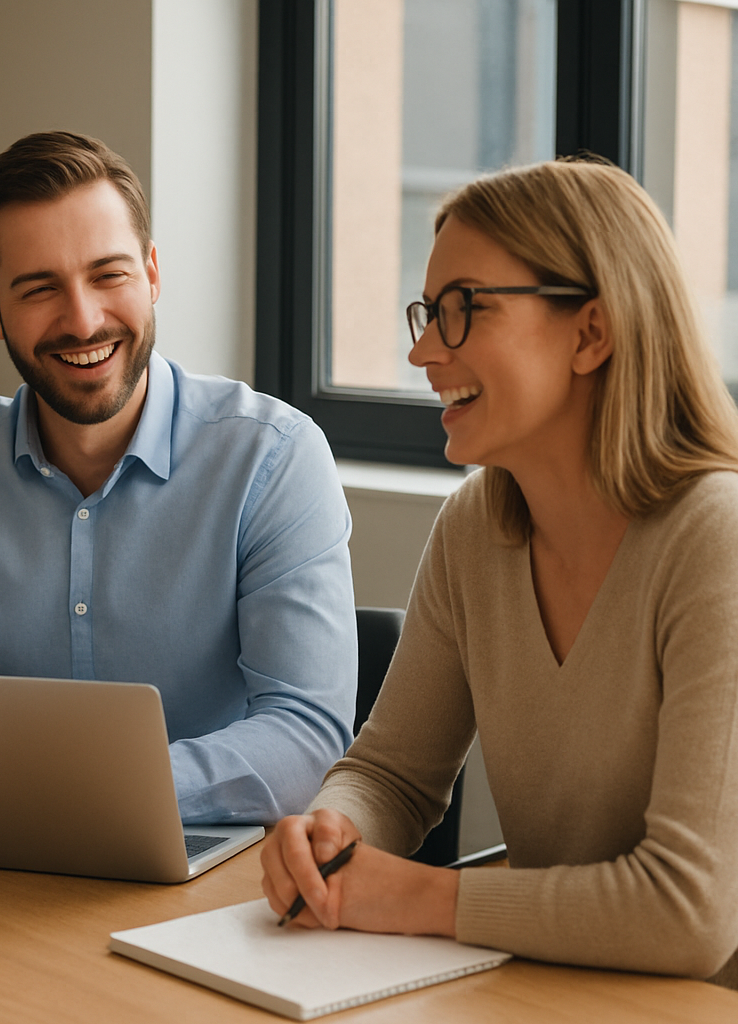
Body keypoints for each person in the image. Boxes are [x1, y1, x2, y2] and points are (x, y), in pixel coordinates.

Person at [259, 157, 738, 984]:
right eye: (427, 312)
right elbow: (392, 774)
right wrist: (330, 832)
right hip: (557, 989)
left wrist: (418, 900)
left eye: (462, 311)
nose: (420, 350)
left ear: (591, 331)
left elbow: (689, 915)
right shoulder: (476, 528)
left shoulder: (716, 540)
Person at [0, 131, 357, 824]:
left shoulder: (274, 458)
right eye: (40, 288)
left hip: (205, 873)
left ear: (153, 273)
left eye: (109, 275)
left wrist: (85, 791)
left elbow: (306, 736)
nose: (83, 320)